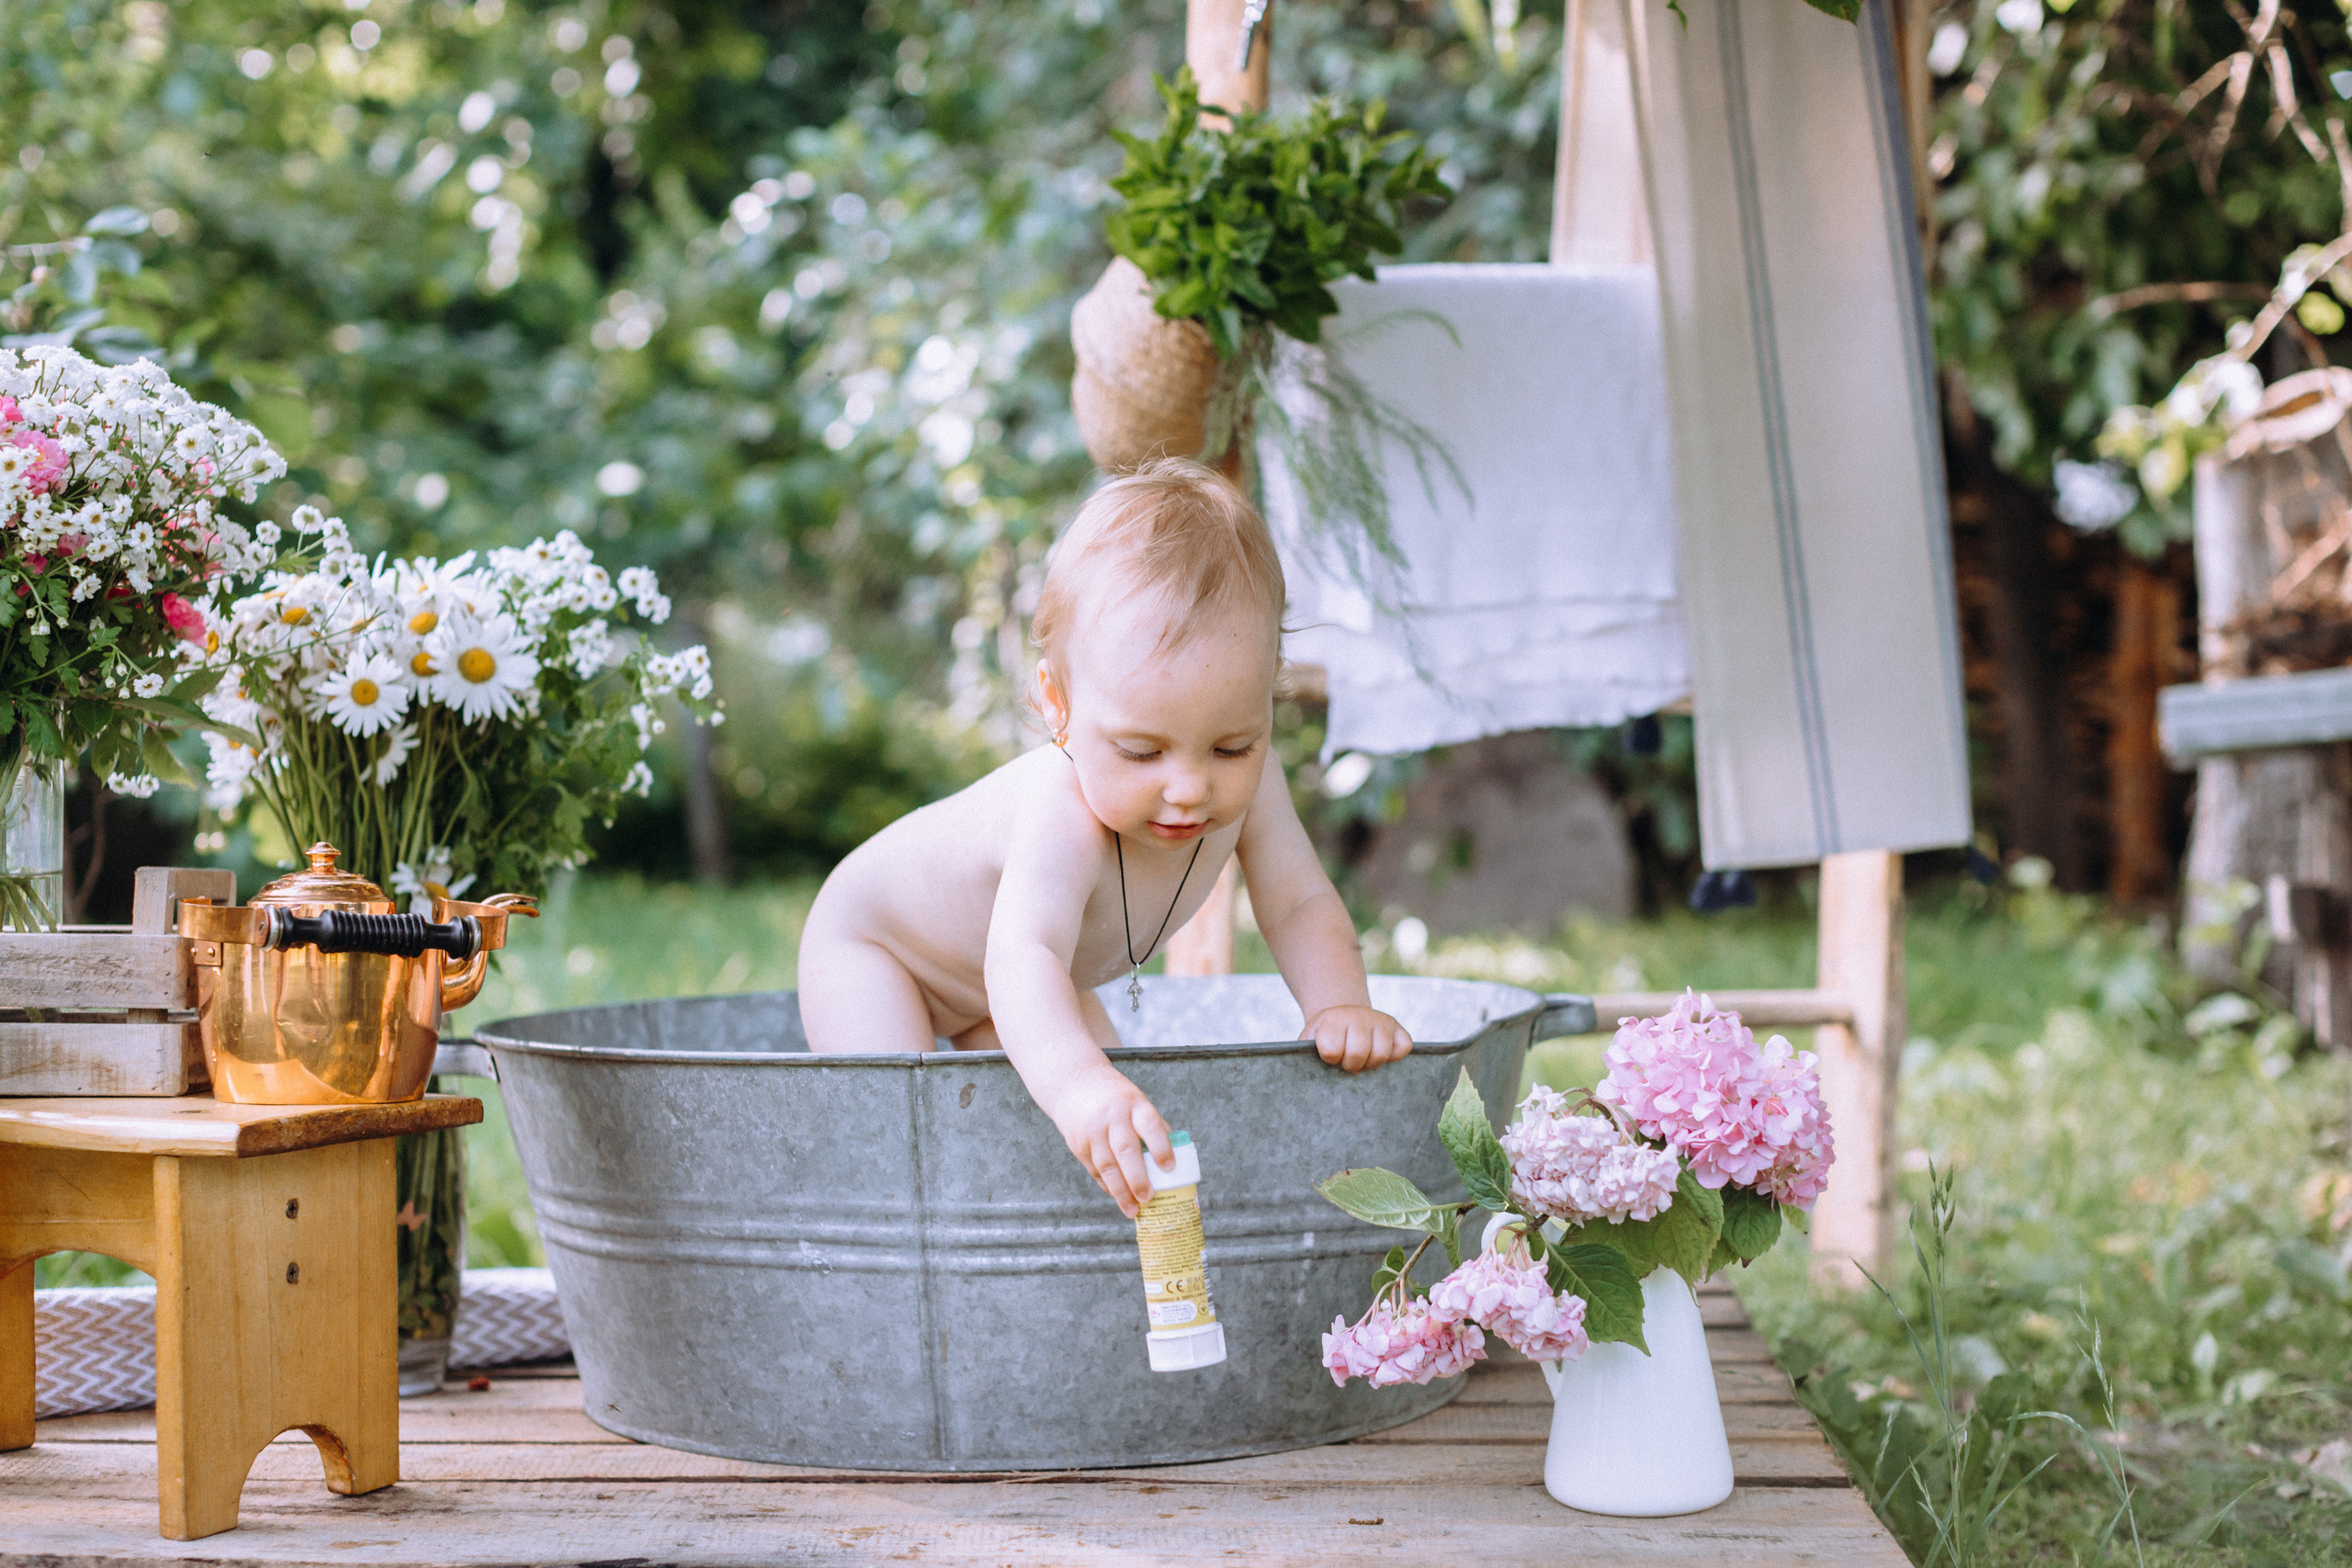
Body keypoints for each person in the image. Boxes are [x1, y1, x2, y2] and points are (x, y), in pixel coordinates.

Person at [797, 458, 1414, 1217]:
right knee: (905, 1146)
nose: (1190, 786)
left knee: (1118, 1141)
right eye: (1141, 750)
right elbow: (1022, 955)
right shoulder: (1060, 812)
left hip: (1014, 985)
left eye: (1231, 747)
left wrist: (1337, 1005)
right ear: (1057, 706)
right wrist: (1079, 1085)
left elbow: (1298, 904)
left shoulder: (1259, 790)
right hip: (882, 950)